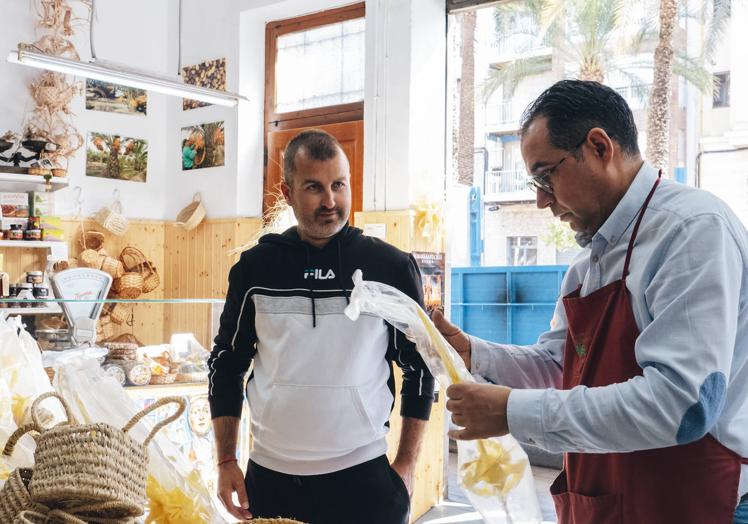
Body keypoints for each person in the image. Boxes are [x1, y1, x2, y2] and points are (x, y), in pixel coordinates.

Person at [434, 80, 748, 524]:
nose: (541, 200)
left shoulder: (690, 230)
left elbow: (682, 405)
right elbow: (561, 367)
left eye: (546, 176)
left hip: (693, 500)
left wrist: (511, 411)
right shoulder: (587, 265)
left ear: (599, 146)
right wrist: (474, 352)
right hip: (606, 501)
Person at [208, 129, 435, 523]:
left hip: (364, 477)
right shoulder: (255, 268)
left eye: (339, 185)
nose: (330, 201)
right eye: (314, 187)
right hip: (271, 476)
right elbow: (226, 364)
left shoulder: (390, 267)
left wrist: (407, 465)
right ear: (288, 191)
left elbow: (421, 364)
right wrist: (226, 458)